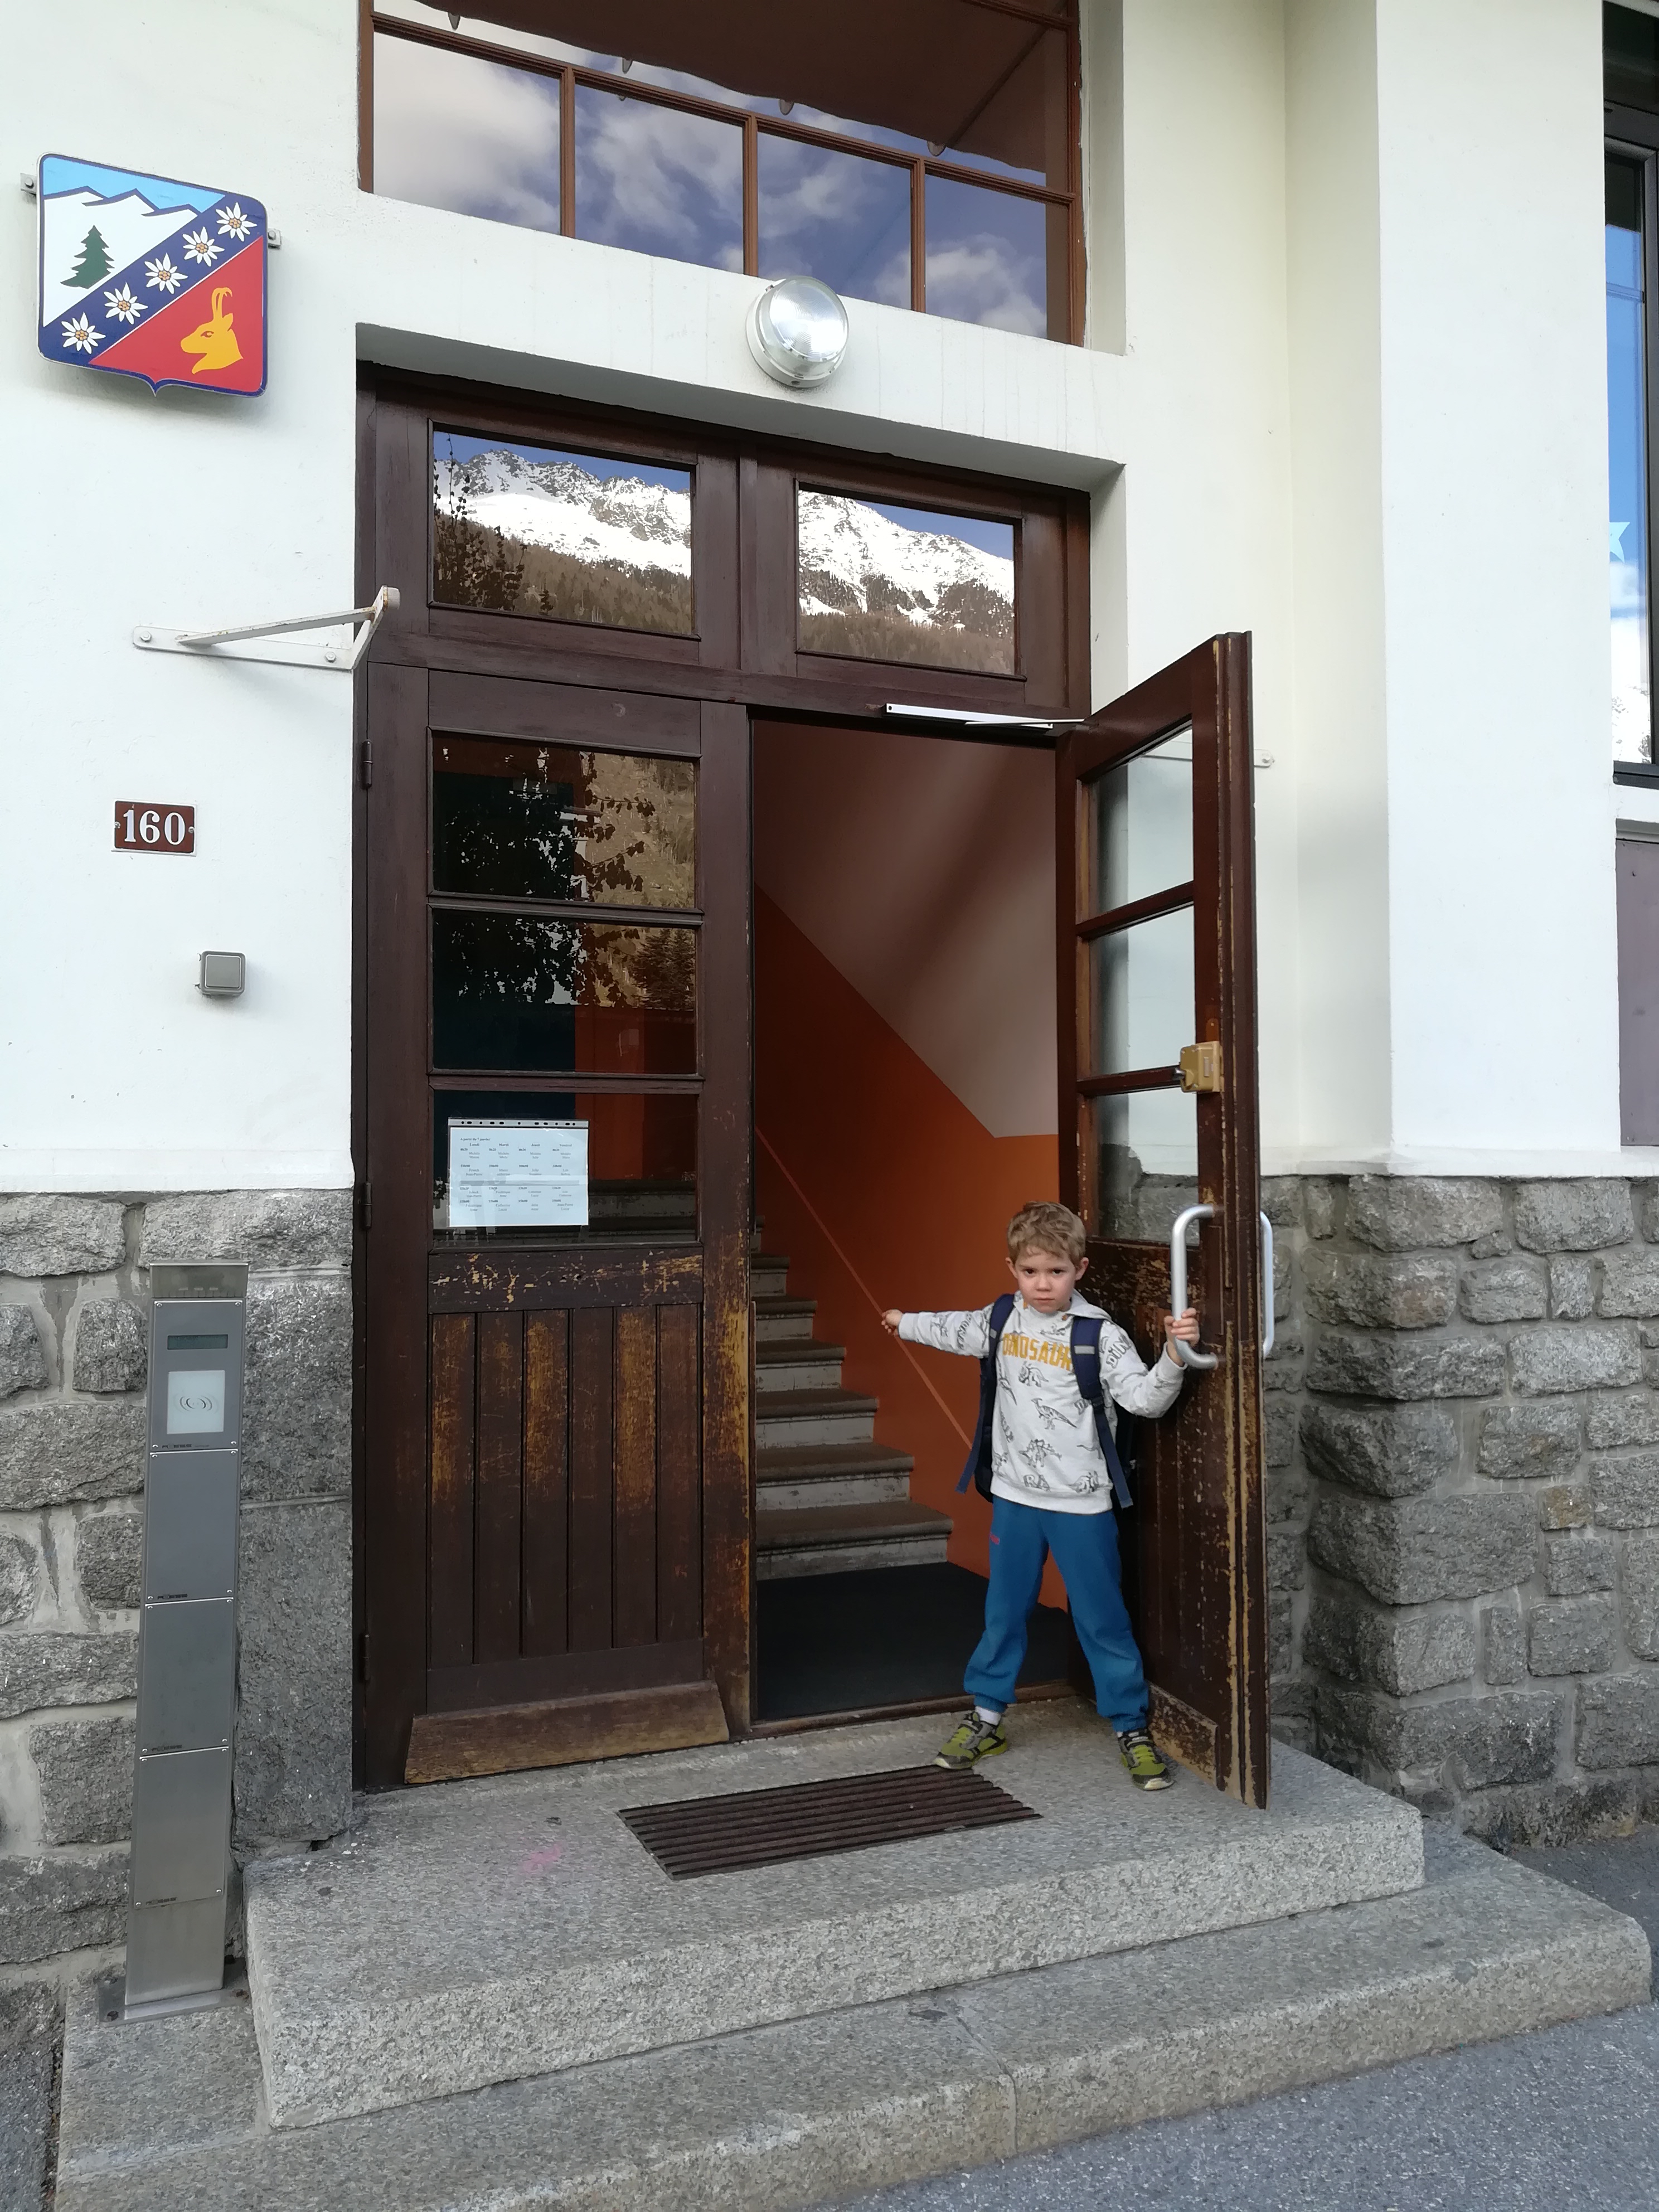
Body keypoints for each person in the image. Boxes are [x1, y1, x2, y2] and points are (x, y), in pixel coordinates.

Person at [881, 1199, 1200, 1790]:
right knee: (1004, 1613)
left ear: (1079, 1269)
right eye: (1031, 1271)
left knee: (1102, 1618)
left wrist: (1175, 1356)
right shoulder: (1001, 1319)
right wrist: (904, 1321)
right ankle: (986, 1717)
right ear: (1013, 1269)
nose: (1043, 1283)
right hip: (1015, 1499)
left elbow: (1145, 1400)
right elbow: (953, 1328)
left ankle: (1131, 1725)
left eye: (1056, 1270)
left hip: (1082, 1505)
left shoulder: (1099, 1334)